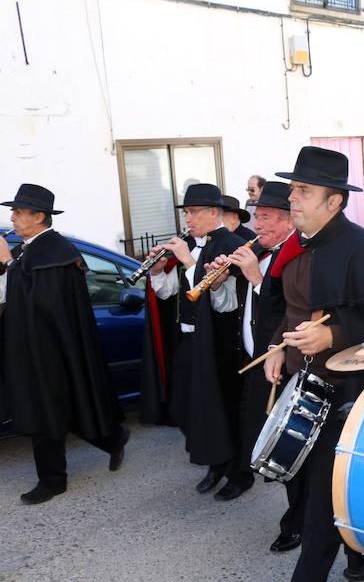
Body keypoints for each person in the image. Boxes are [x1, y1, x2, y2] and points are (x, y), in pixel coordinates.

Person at [262, 146, 364, 582]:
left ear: (334, 201)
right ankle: (358, 560)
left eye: (303, 191)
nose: (292, 198)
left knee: (322, 507)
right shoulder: (295, 246)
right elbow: (289, 312)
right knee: (319, 494)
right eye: (293, 188)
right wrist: (277, 346)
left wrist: (335, 333)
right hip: (303, 388)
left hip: (350, 398)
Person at [0, 184, 129, 504]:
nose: (12, 218)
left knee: (46, 411)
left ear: (39, 216)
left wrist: (8, 264)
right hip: (31, 346)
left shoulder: (56, 252)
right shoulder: (28, 249)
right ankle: (113, 438)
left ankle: (53, 480)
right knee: (63, 407)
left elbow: (42, 302)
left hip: (50, 349)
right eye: (13, 212)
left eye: (18, 212)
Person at [209, 183, 303, 536]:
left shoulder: (294, 253)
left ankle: (297, 520)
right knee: (255, 436)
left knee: (291, 447)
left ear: (288, 220)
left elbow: (289, 309)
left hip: (283, 363)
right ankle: (245, 477)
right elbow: (233, 305)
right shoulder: (259, 251)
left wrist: (255, 277)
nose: (257, 225)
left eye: (264, 218)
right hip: (253, 361)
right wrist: (217, 280)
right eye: (257, 217)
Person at [146, 183, 247, 496]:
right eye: (186, 212)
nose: (188, 218)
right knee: (186, 406)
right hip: (189, 339)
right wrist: (159, 270)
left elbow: (219, 299)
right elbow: (170, 293)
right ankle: (215, 460)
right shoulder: (190, 243)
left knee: (226, 408)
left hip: (221, 343)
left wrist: (188, 261)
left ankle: (238, 473)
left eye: (194, 212)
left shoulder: (232, 244)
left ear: (214, 213)